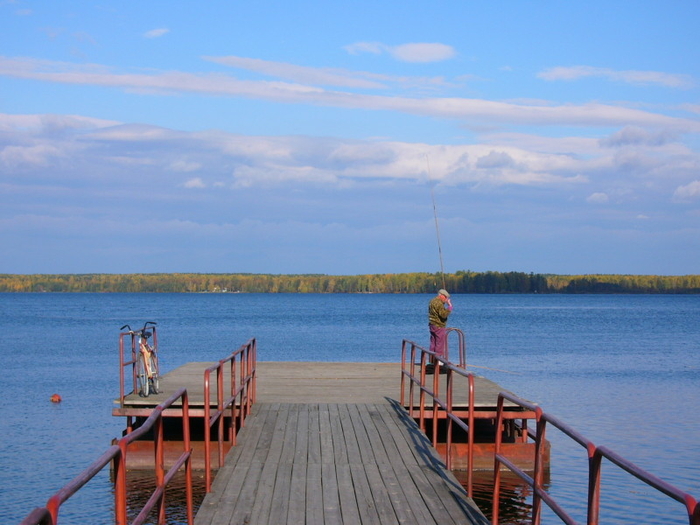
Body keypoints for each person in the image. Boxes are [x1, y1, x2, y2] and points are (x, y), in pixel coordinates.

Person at [428, 288, 453, 360]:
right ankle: (438, 360)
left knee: (433, 343)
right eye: (446, 297)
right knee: (439, 344)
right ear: (442, 295)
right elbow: (443, 315)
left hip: (432, 324)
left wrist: (444, 303)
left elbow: (437, 312)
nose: (446, 299)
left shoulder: (432, 301)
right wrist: (450, 307)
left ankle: (431, 360)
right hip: (439, 326)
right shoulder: (439, 303)